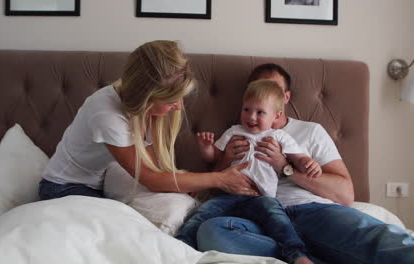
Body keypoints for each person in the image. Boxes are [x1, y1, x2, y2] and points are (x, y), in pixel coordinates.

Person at [192, 63, 414, 263]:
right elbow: (214, 189)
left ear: (285, 98)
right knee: (211, 231)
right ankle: (302, 256)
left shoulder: (310, 131)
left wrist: (285, 167)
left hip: (308, 210)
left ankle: (305, 255)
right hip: (256, 217)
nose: (263, 95)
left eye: (273, 89)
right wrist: (225, 159)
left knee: (383, 239)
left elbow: (345, 194)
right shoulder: (236, 133)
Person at [38, 40, 258, 202]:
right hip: (62, 188)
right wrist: (218, 179)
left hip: (99, 183)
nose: (179, 107)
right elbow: (151, 178)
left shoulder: (146, 109)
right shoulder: (106, 115)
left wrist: (181, 184)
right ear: (146, 96)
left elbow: (153, 164)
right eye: (172, 100)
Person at [176, 80, 321, 264]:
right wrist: (206, 148)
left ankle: (297, 255)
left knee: (279, 220)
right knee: (201, 213)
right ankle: (180, 246)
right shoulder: (234, 132)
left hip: (261, 198)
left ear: (276, 116)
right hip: (228, 195)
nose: (251, 117)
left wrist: (309, 162)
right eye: (246, 110)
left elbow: (298, 158)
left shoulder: (278, 136)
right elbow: (213, 157)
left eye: (260, 112)